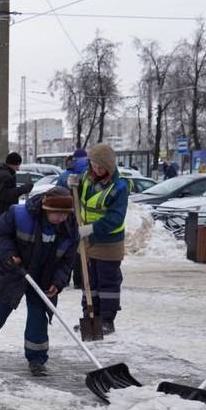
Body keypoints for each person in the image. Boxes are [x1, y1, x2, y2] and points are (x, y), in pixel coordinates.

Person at [0, 187, 78, 376]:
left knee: (38, 317)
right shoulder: (19, 214)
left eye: (64, 214)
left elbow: (68, 260)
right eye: (56, 213)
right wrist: (9, 254)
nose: (60, 218)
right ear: (45, 207)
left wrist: (58, 282)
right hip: (13, 270)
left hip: (44, 276)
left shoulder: (70, 228)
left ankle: (37, 359)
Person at [72, 143, 129, 336]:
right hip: (87, 241)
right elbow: (74, 194)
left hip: (109, 242)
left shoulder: (119, 187)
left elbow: (115, 218)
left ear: (109, 166)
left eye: (100, 167)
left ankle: (106, 321)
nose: (96, 170)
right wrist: (70, 183)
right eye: (93, 165)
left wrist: (90, 229)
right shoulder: (87, 178)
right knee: (89, 282)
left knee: (107, 283)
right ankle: (90, 317)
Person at [0, 151, 34, 220]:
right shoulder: (5, 176)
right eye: (18, 165)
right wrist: (23, 189)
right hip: (2, 214)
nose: (18, 168)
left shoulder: (1, 173)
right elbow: (5, 195)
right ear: (13, 164)